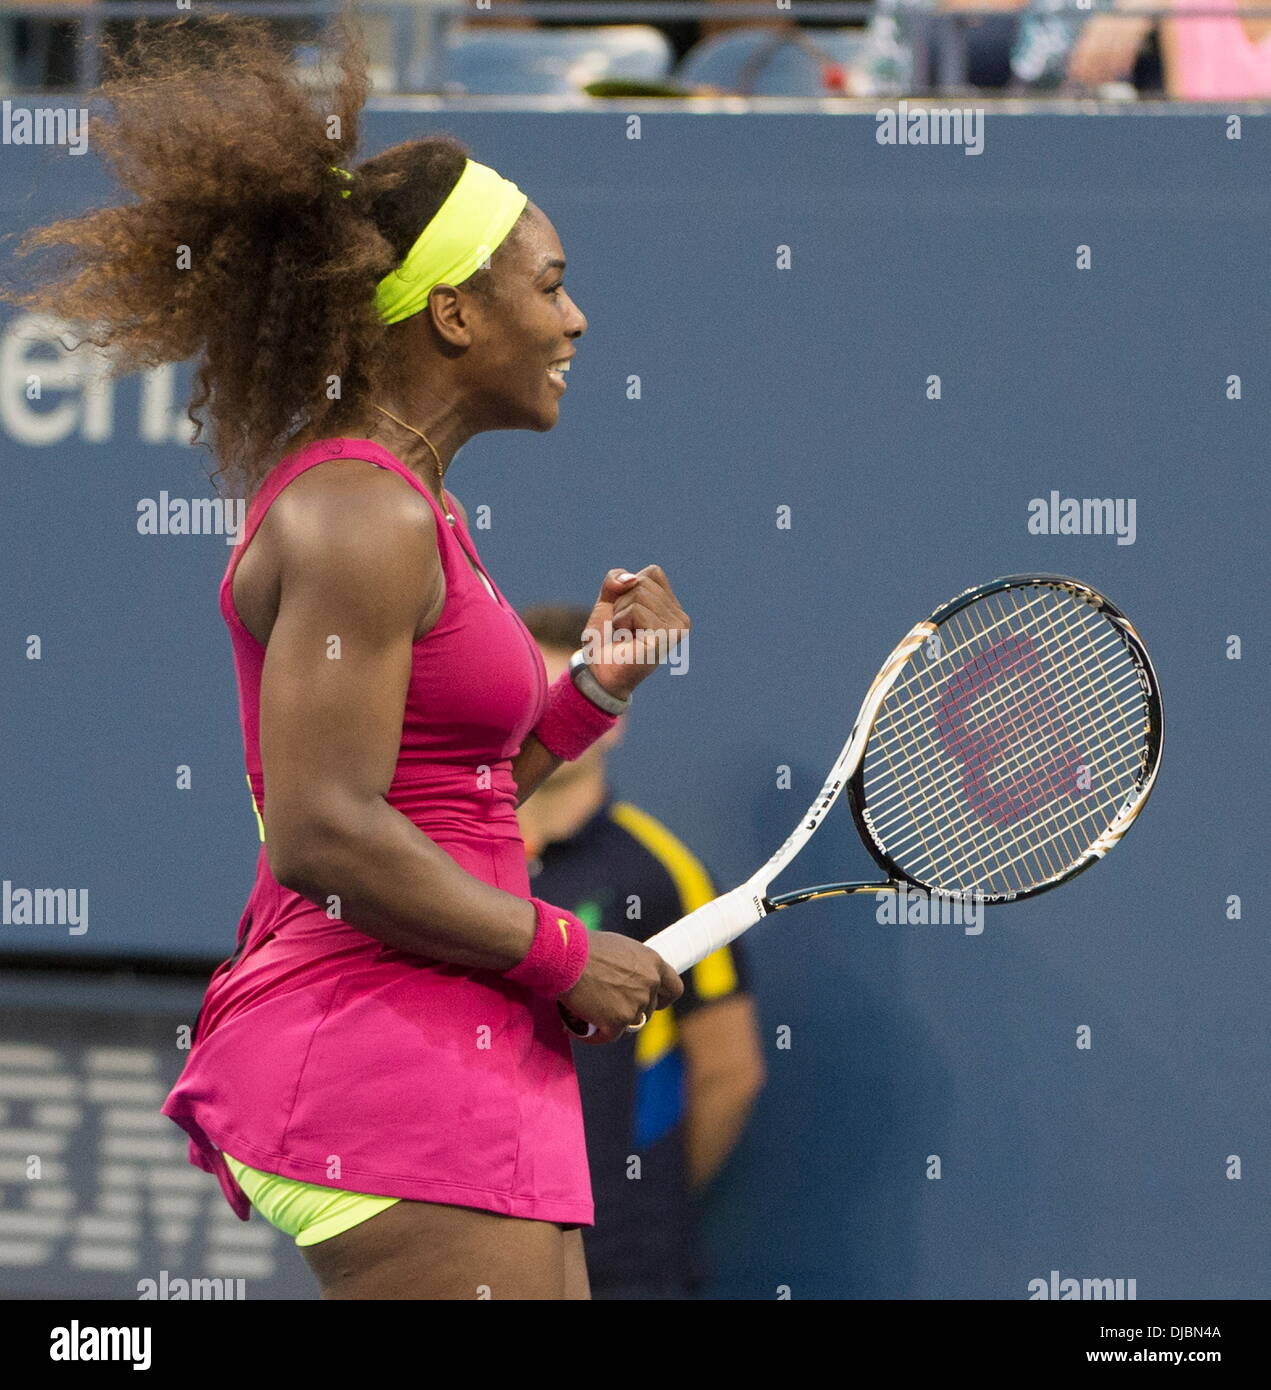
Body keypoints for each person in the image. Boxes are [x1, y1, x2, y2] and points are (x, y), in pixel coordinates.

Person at [5, 14, 693, 1300]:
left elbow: (448, 805)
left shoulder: (414, 512)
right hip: (379, 1040)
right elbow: (321, 832)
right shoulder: (360, 513)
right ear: (450, 313)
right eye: (548, 284)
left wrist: (592, 690)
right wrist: (559, 949)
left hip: (457, 1026)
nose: (577, 318)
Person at [517, 605, 766, 1300]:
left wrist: (638, 1203)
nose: (548, 722)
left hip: (624, 1267)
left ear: (613, 718)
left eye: (573, 698)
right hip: (473, 1244)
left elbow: (730, 1071)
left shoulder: (665, 875)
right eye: (533, 700)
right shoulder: (453, 867)